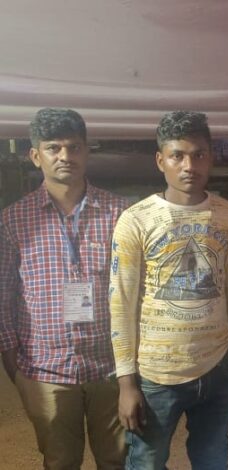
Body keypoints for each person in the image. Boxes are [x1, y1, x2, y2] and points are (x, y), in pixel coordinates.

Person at [110, 111, 228, 469]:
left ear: (211, 157)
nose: (189, 165)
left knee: (213, 459)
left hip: (218, 367)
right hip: (156, 377)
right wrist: (126, 383)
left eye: (199, 154)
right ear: (161, 160)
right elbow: (121, 302)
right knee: (146, 462)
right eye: (178, 155)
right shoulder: (136, 220)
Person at [0, 108, 127, 469]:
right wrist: (15, 368)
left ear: (87, 151)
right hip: (45, 371)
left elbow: (137, 290)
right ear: (35, 155)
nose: (65, 156)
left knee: (118, 460)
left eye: (74, 147)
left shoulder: (120, 214)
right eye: (53, 148)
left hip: (110, 368)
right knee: (59, 462)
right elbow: (4, 296)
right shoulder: (13, 220)